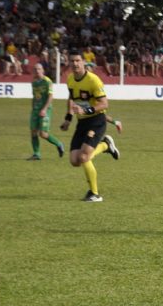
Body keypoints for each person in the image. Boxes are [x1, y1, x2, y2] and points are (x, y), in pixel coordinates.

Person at [60, 51, 121, 202]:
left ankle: (94, 194)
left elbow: (104, 104)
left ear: (83, 62)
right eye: (72, 61)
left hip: (96, 121)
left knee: (84, 157)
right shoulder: (70, 79)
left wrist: (86, 110)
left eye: (78, 61)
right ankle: (106, 145)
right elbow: (71, 98)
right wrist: (68, 118)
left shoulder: (93, 80)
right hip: (82, 123)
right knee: (75, 160)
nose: (75, 64)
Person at [28, 63, 65, 161]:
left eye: (39, 69)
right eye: (35, 69)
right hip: (35, 110)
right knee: (33, 132)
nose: (37, 71)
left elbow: (50, 96)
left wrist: (44, 109)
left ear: (43, 70)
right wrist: (33, 108)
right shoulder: (34, 82)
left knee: (43, 134)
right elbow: (34, 96)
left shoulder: (47, 81)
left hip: (45, 110)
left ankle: (59, 144)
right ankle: (36, 154)